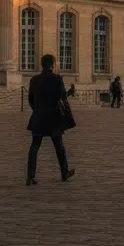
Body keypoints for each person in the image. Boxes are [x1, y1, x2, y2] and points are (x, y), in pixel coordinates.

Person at [26, 53, 76, 185]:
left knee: (35, 146)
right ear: (52, 65)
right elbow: (63, 96)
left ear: (42, 65)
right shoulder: (57, 79)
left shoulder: (34, 80)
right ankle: (64, 172)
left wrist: (37, 110)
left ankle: (30, 176)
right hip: (54, 117)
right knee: (59, 146)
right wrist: (70, 92)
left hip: (38, 116)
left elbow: (30, 100)